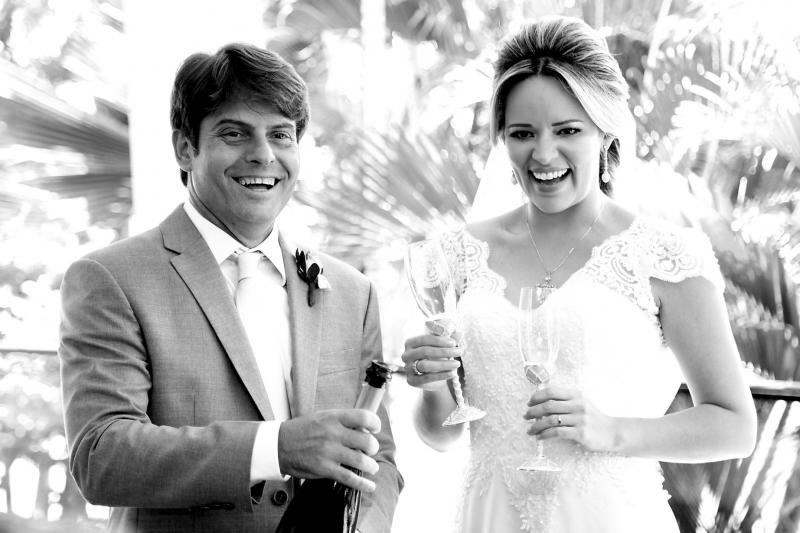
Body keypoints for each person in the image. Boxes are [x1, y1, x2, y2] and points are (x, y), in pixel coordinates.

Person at [401, 16, 756, 533]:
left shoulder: (666, 255)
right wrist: (432, 386)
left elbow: (735, 424)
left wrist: (611, 431)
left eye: (567, 130)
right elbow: (442, 434)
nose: (543, 154)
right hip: (487, 517)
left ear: (605, 131)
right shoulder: (456, 255)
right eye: (522, 133)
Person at [59, 43, 402, 533]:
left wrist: (363, 528)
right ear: (185, 148)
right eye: (235, 133)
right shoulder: (110, 278)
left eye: (281, 134)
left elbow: (377, 455)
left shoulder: (353, 292)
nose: (263, 154)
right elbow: (102, 456)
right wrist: (276, 448)